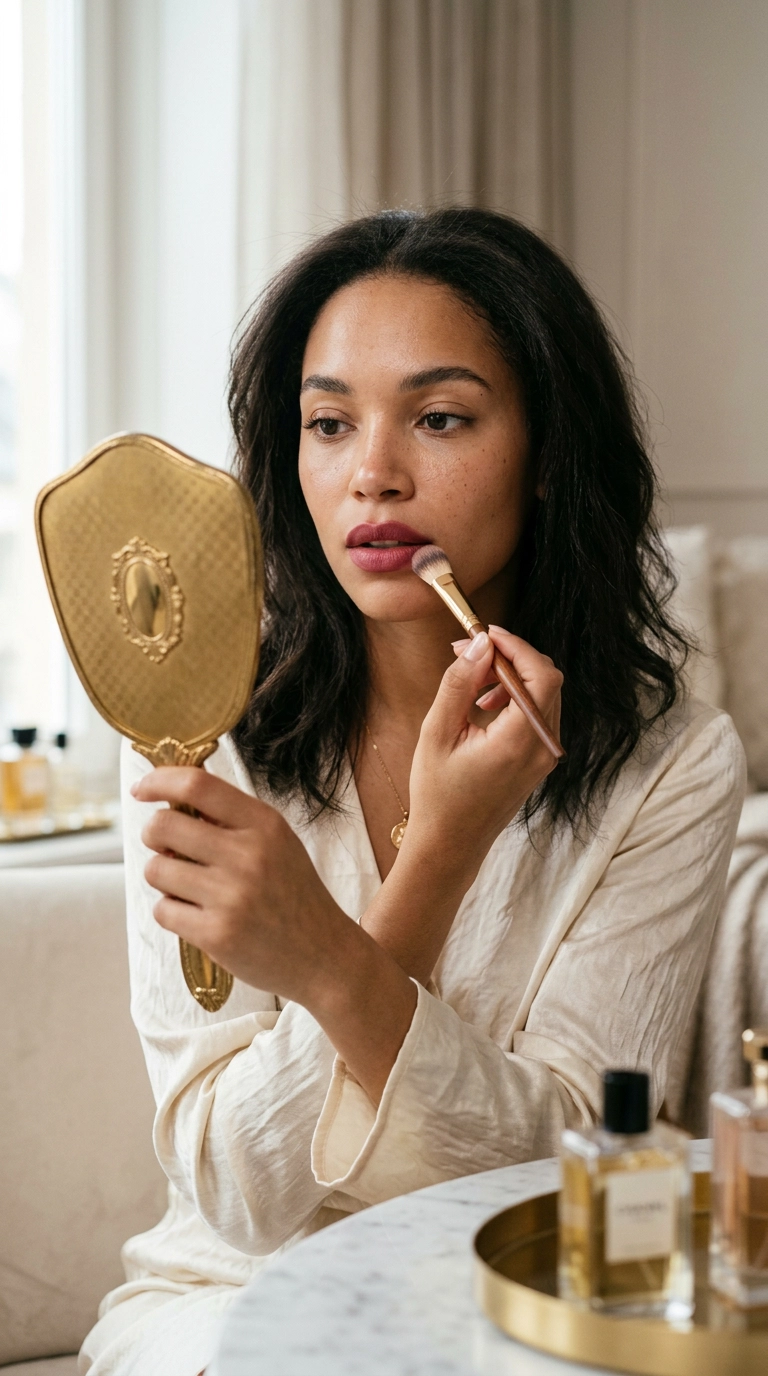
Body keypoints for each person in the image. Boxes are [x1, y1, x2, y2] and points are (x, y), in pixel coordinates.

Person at [80, 208, 745, 1375]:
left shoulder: (671, 762)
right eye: (328, 422)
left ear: (546, 452)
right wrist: (421, 884)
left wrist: (351, 943)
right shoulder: (196, 740)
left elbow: (566, 1168)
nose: (373, 473)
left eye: (439, 418)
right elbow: (237, 1194)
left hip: (515, 1311)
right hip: (231, 1308)